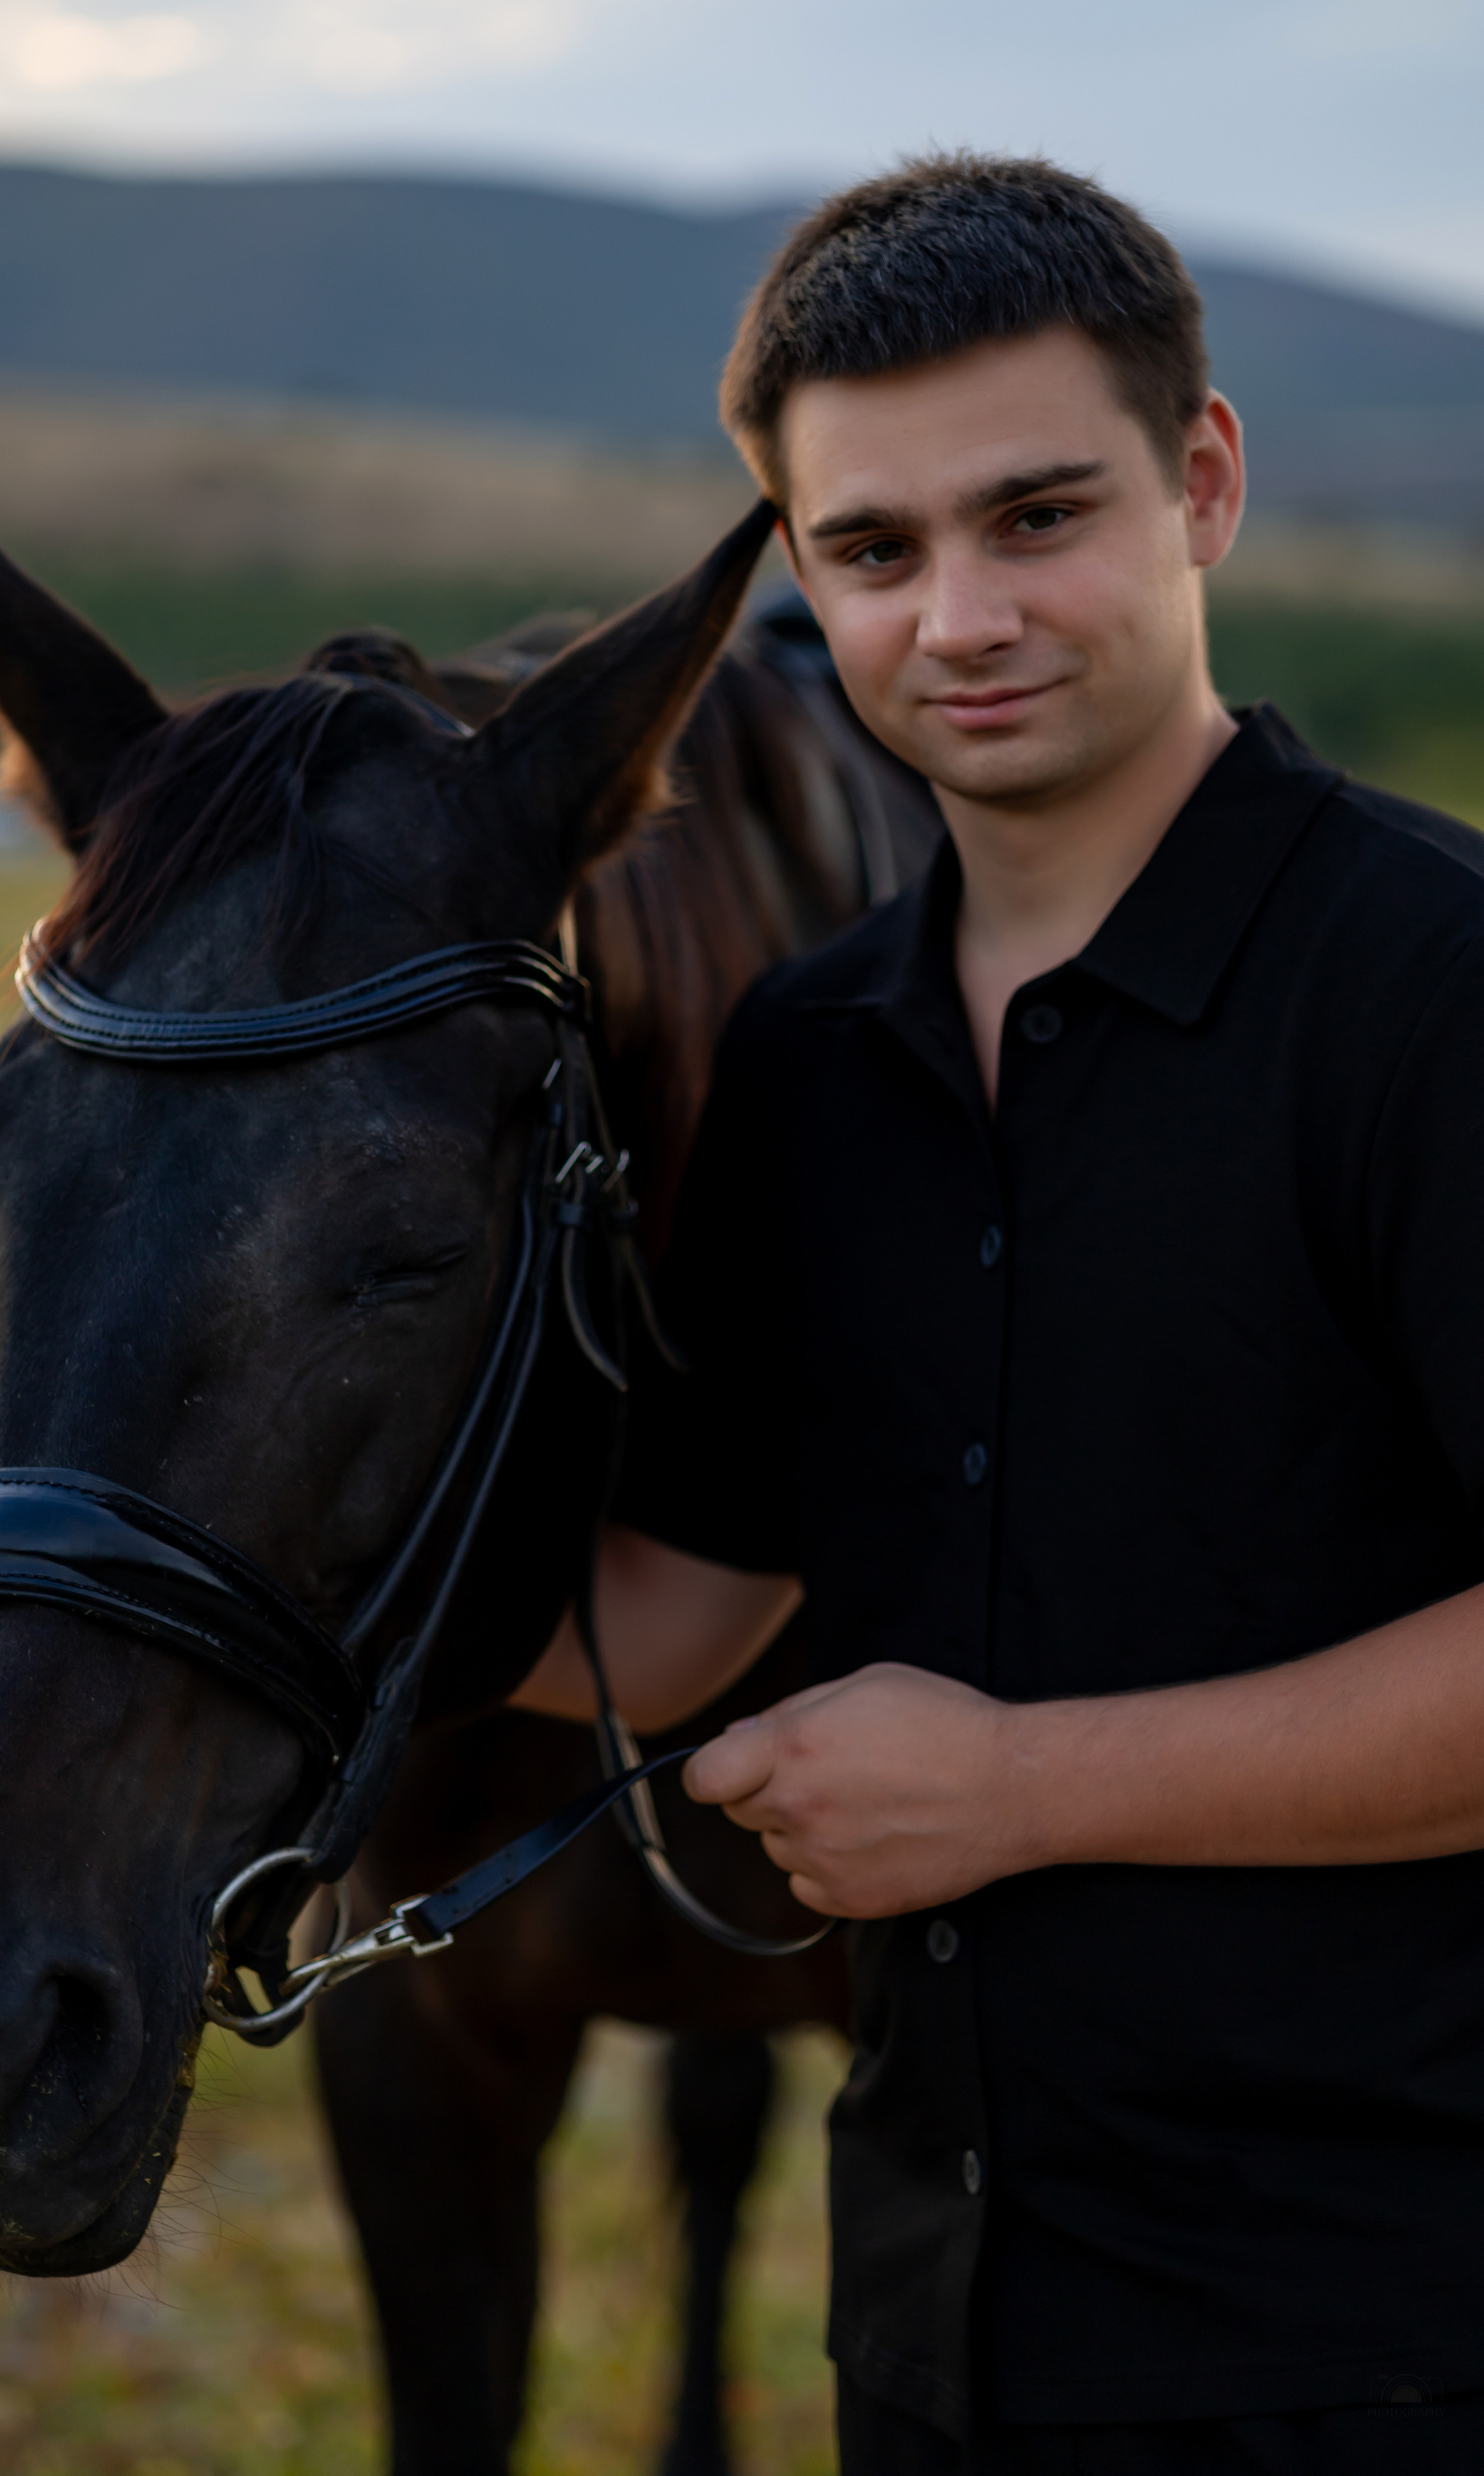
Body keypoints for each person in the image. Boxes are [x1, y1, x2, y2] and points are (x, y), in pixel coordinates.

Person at [514, 154, 1484, 2471]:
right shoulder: (813, 1058)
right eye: (872, 552)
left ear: (1205, 483)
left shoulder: (1432, 996)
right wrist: (203, 1539)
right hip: (944, 2335)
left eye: (1035, 515)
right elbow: (665, 1614)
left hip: (1394, 2347)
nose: (960, 616)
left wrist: (1020, 1789)